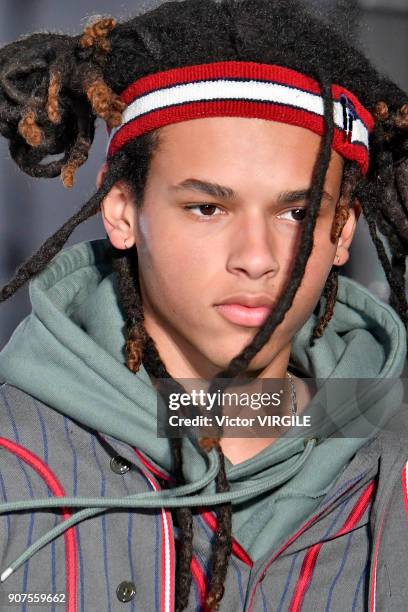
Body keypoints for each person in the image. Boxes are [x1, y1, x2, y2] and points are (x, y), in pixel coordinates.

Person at [0, 0, 407, 610]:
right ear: (121, 210)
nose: (256, 257)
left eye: (297, 213)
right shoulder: (12, 465)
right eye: (207, 208)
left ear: (343, 230)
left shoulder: (395, 464)